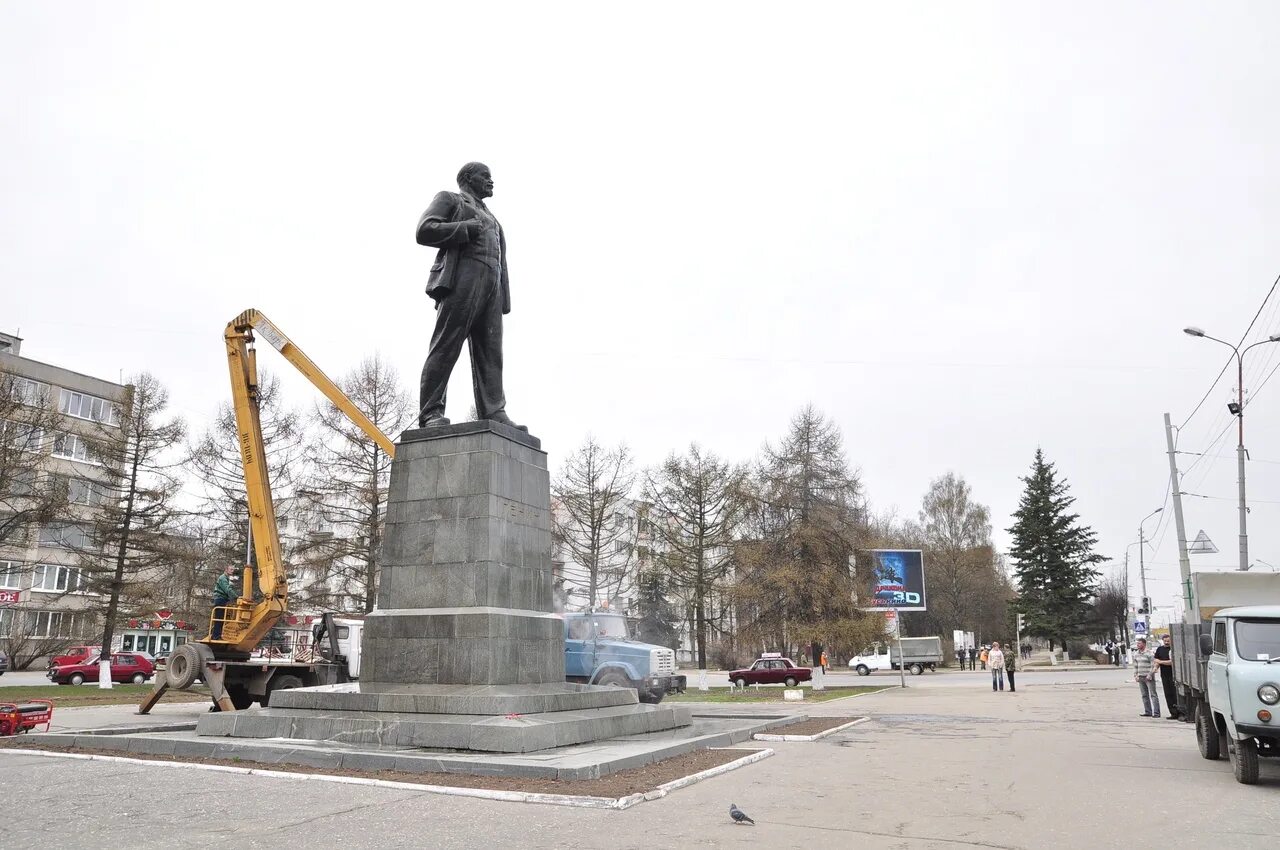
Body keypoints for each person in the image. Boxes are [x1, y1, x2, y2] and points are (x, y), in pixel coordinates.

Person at [416, 162, 525, 431]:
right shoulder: (450, 199)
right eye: (485, 176)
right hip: (463, 278)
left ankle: (494, 411)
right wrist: (465, 228)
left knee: (491, 353)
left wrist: (503, 298)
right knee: (446, 345)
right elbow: (425, 230)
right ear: (468, 178)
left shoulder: (493, 218)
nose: (491, 181)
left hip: (491, 287)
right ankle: (431, 412)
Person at [1153, 634, 1180, 719]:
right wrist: (1155, 668)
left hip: (1174, 674)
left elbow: (1172, 662)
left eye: (1168, 641)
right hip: (1164, 675)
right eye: (1165, 641)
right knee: (1167, 694)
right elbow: (1156, 660)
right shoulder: (1160, 649)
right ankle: (1173, 713)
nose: (1167, 642)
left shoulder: (1173, 649)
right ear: (1162, 641)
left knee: (1175, 694)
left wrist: (1160, 662)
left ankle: (1179, 712)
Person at [1132, 638, 1160, 717]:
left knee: (1153, 694)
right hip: (1140, 676)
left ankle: (1157, 713)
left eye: (1139, 643)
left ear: (1144, 644)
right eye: (1137, 644)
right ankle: (1148, 711)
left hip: (1148, 677)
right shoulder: (1136, 654)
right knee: (1144, 695)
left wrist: (1150, 674)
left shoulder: (1149, 653)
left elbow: (1153, 665)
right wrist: (1136, 675)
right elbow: (1135, 666)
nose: (1138, 645)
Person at [211, 564, 237, 640]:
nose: (233, 571)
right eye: (231, 569)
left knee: (220, 618)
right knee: (219, 618)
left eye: (233, 569)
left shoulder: (225, 578)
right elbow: (227, 589)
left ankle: (217, 635)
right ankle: (216, 636)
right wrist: (236, 597)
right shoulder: (223, 578)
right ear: (226, 569)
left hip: (222, 599)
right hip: (220, 599)